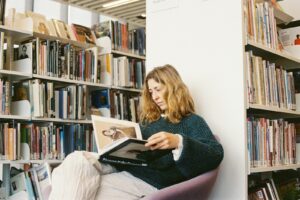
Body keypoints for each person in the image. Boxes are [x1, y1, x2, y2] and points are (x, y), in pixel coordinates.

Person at [50, 64, 224, 200]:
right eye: (151, 91)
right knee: (75, 160)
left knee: (76, 187)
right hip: (121, 167)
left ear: (173, 88)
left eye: (158, 89)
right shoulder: (150, 120)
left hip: (147, 181)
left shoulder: (192, 121)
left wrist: (178, 141)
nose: (154, 96)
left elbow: (215, 153)